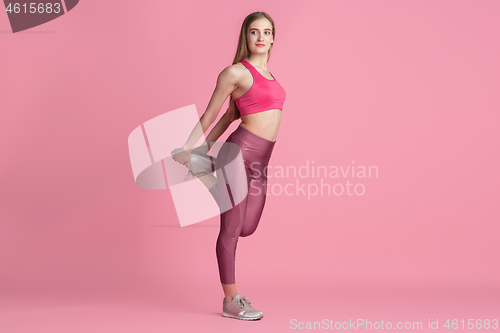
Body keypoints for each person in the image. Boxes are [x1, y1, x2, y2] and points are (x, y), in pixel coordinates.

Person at [172, 11, 286, 321]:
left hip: (263, 160)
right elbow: (212, 115)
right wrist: (190, 145)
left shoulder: (271, 77)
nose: (260, 37)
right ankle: (231, 300)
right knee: (232, 227)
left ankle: (203, 167)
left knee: (248, 227)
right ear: (245, 37)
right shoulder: (235, 72)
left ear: (274, 37)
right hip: (239, 153)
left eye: (266, 31)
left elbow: (231, 115)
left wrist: (201, 151)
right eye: (254, 32)